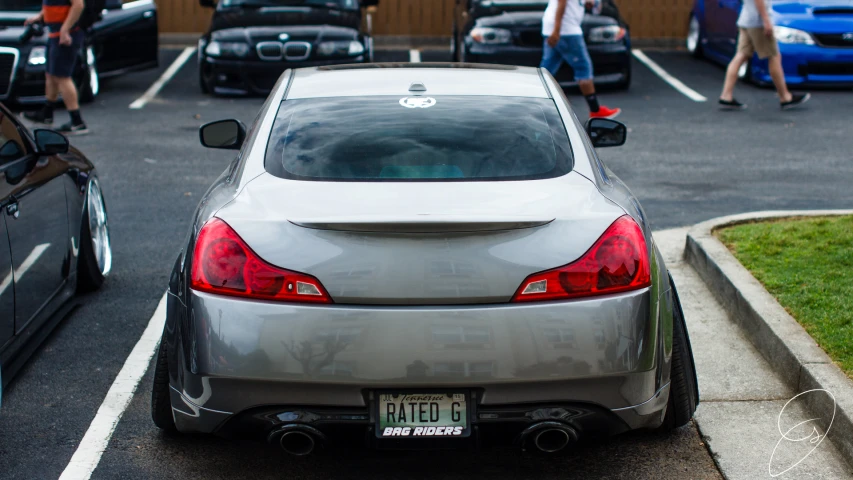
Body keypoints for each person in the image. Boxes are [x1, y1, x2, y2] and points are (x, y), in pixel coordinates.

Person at [719, 0, 809, 110]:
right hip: (758, 22)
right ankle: (785, 97)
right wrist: (766, 20)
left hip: (746, 19)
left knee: (741, 55)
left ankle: (726, 95)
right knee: (774, 56)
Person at [540, 0, 621, 119]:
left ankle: (528, 104)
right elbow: (562, 2)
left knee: (546, 70)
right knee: (584, 68)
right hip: (566, 30)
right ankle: (595, 110)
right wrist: (557, 31)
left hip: (556, 28)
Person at [23, 0, 89, 135]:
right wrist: (41, 15)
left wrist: (65, 29)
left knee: (62, 76)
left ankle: (77, 122)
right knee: (51, 75)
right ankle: (47, 114)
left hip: (65, 34)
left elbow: (78, 4)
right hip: (55, 33)